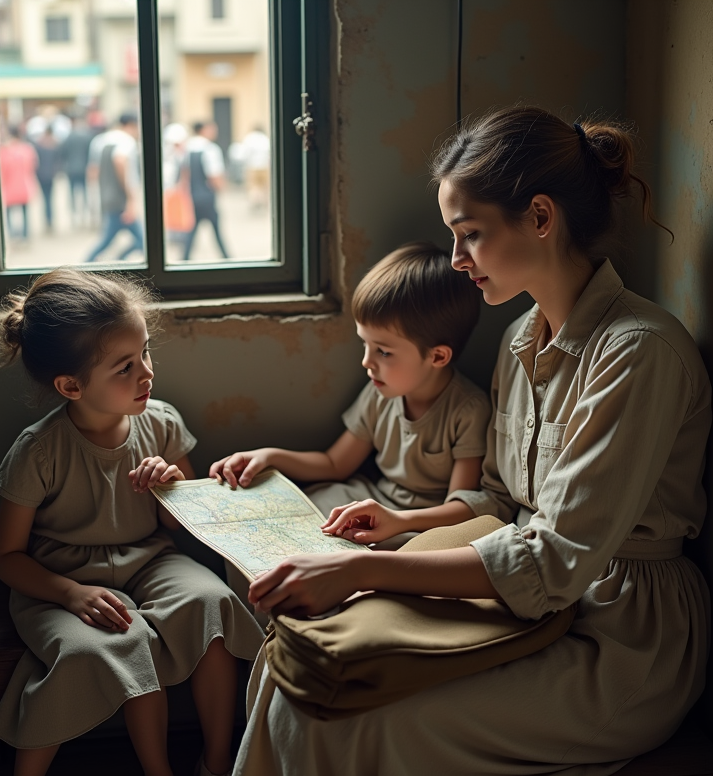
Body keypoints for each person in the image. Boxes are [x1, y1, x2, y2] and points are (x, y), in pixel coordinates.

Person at [226, 106, 713, 776]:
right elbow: (504, 502)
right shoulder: (520, 340)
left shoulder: (638, 353)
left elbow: (556, 559)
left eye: (471, 235)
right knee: (297, 671)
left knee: (347, 722)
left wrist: (365, 570)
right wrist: (401, 528)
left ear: (540, 218)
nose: (456, 261)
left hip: (619, 637)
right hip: (531, 598)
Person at [0, 269, 264, 776]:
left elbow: (180, 529)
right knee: (125, 638)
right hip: (63, 581)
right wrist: (71, 593)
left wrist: (173, 489)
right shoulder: (38, 450)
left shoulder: (160, 423)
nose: (147, 374)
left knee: (212, 603)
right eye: (124, 366)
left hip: (150, 559)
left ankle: (217, 766)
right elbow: (7, 557)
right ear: (71, 386)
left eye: (146, 353)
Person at [210, 242, 489, 551]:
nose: (367, 362)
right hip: (369, 496)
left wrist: (399, 519)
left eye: (383, 351)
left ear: (437, 356)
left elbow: (462, 509)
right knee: (288, 518)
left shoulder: (468, 410)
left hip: (419, 523)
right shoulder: (379, 391)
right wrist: (270, 456)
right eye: (365, 345)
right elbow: (334, 464)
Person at [85, 113, 144, 262]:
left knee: (114, 238)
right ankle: (86, 265)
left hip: (107, 196)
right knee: (142, 240)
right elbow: (120, 160)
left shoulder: (100, 140)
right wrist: (130, 197)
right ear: (131, 125)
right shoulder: (126, 141)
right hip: (120, 198)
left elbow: (93, 170)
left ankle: (118, 260)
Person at [181, 121, 230, 260]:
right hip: (207, 195)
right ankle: (226, 257)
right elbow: (214, 175)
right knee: (215, 226)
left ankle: (185, 258)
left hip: (193, 194)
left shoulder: (188, 148)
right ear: (203, 130)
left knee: (193, 227)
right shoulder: (210, 149)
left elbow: (185, 173)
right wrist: (221, 188)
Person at [0, 123, 37, 243]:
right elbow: (33, 167)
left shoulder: (4, 151)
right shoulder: (27, 150)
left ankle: (13, 236)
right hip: (24, 185)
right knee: (25, 213)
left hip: (9, 186)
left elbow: (1, 171)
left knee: (9, 214)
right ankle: (25, 236)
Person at [57, 114, 94, 227]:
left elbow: (62, 153)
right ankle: (85, 215)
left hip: (71, 169)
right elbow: (90, 153)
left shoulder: (68, 137)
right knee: (85, 192)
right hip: (83, 168)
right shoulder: (87, 136)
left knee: (72, 193)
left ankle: (75, 216)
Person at [32, 127, 60, 232]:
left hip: (42, 175)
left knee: (45, 198)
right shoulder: (54, 145)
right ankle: (49, 220)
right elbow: (58, 161)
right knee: (49, 198)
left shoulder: (39, 145)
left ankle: (47, 220)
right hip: (50, 175)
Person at [240, 125, 270, 211]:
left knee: (254, 186)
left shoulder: (249, 138)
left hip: (252, 166)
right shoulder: (265, 138)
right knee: (264, 186)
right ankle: (264, 202)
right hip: (264, 166)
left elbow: (244, 153)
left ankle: (255, 201)